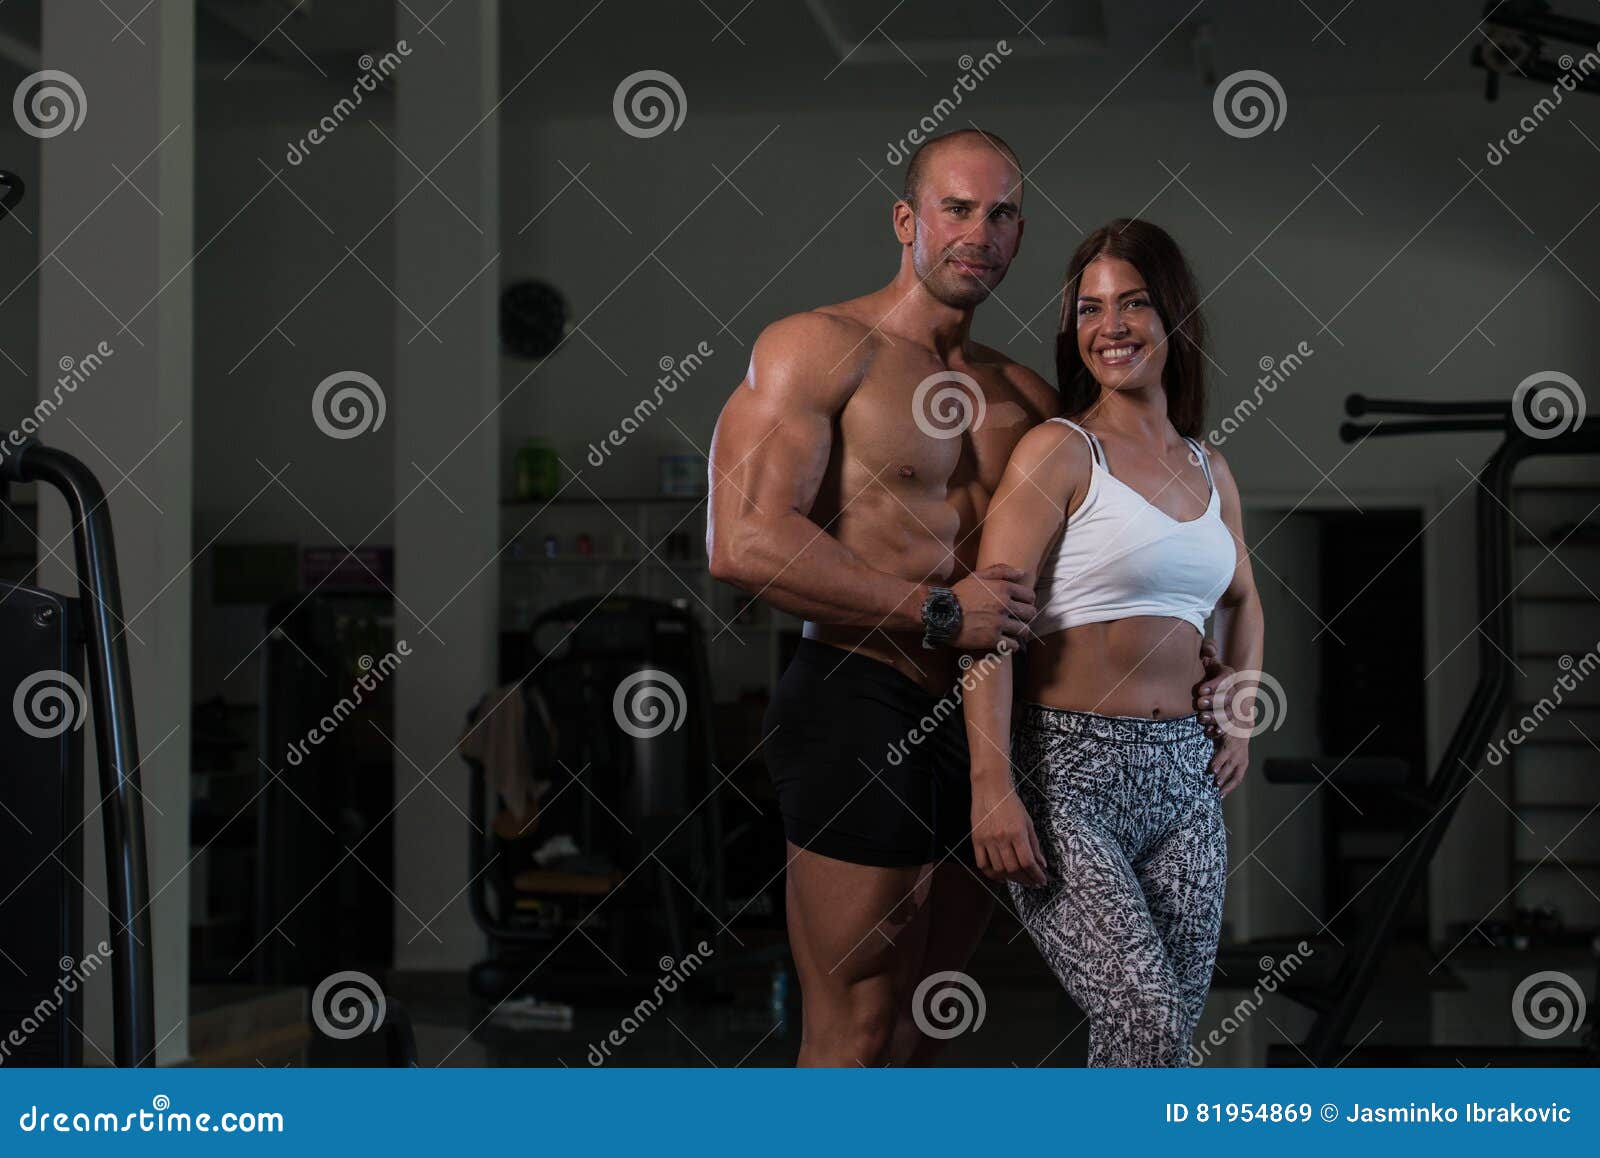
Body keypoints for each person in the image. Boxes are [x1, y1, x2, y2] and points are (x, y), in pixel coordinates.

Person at [707, 136, 1236, 1066]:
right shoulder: (820, 349)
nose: (978, 233)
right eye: (956, 208)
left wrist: (1191, 646)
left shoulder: (1029, 398)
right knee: (856, 1020)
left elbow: (1098, 551)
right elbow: (745, 541)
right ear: (907, 221)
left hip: (989, 722)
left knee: (925, 1013)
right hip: (862, 695)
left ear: (1019, 235)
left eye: (1000, 215)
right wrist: (937, 611)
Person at [961, 217, 1265, 1066]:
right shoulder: (1058, 451)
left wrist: (1237, 710)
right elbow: (989, 624)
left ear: (1176, 319)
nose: (1112, 327)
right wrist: (992, 784)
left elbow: (1245, 601)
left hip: (1185, 781)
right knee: (1146, 1019)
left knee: (1159, 1043)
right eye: (1090, 310)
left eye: (1133, 304)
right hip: (1069, 776)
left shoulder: (1211, 468)